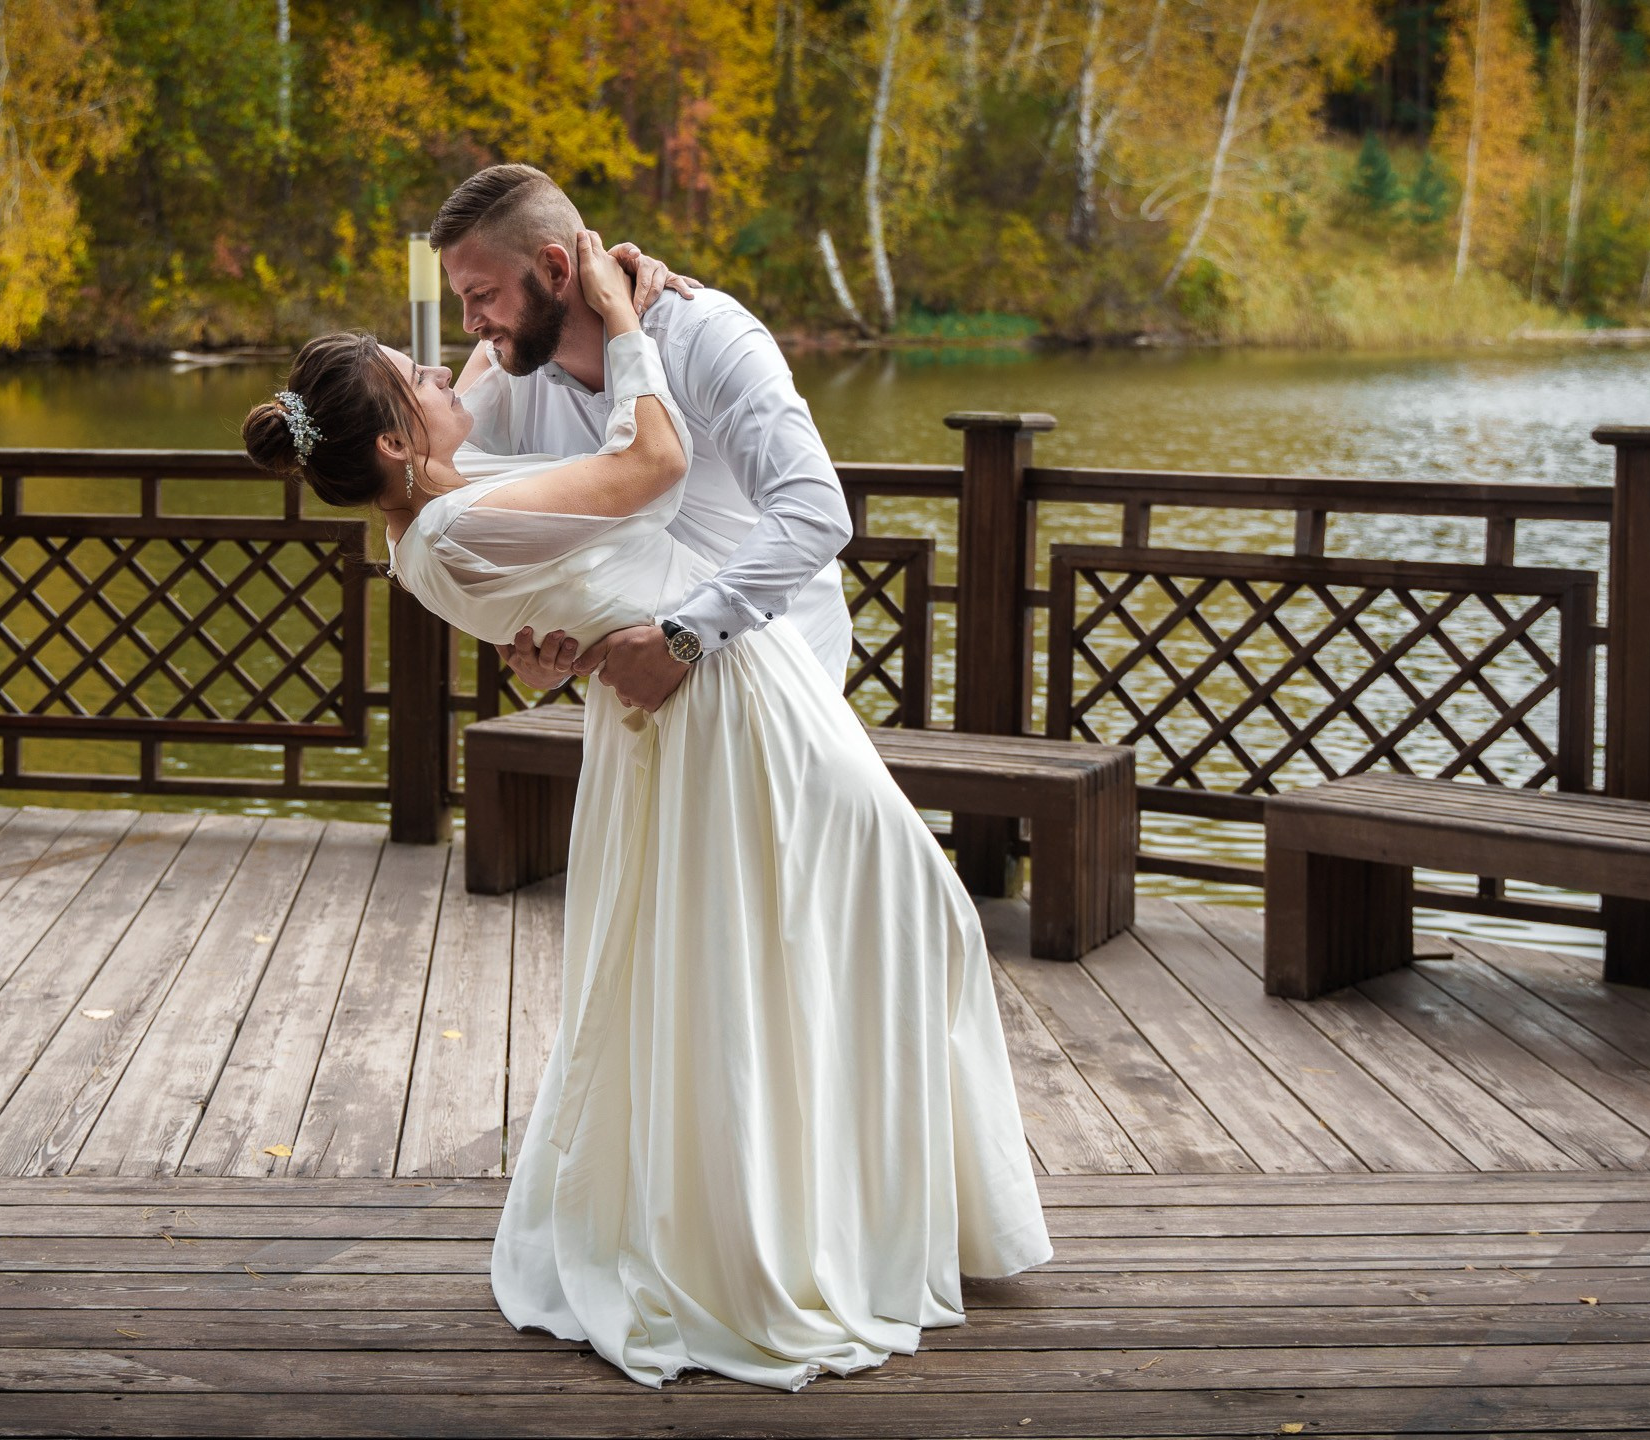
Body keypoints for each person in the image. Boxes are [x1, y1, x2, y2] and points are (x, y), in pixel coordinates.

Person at [242, 231, 1050, 1392]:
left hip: (699, 700)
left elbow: (484, 419)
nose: (448, 362)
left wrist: (559, 638)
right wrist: (623, 315)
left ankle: (855, 1204)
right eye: (416, 373)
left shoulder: (431, 512)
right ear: (389, 443)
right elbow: (656, 463)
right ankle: (791, 1232)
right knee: (862, 929)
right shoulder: (458, 520)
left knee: (805, 945)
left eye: (463, 320)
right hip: (720, 707)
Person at [430, 163, 852, 712]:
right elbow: (444, 487)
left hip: (778, 672)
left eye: (481, 294)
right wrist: (533, 641)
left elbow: (813, 510)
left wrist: (683, 640)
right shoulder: (509, 373)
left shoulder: (703, 334)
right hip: (635, 693)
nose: (468, 322)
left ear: (556, 270)